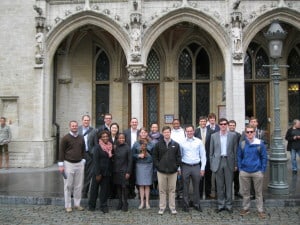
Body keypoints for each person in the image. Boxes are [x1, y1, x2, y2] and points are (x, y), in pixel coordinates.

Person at [238, 125, 268, 219]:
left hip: (257, 171)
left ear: (255, 132)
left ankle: (260, 210)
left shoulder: (260, 143)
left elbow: (264, 157)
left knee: (258, 193)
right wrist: (240, 168)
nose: (249, 133)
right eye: (248, 132)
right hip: (245, 171)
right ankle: (246, 208)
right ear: (245, 133)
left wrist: (262, 169)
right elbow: (239, 156)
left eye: (251, 132)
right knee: (245, 192)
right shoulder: (242, 144)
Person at [210, 118, 238, 214]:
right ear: (219, 125)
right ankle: (221, 205)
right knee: (219, 185)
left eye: (225, 124)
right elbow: (211, 152)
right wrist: (212, 164)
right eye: (221, 124)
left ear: (227, 125)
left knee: (229, 184)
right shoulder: (214, 136)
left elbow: (235, 151)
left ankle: (229, 205)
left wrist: (235, 164)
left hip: (228, 161)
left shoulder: (232, 136)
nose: (223, 125)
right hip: (218, 162)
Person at [152, 126, 182, 215]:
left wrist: (176, 167)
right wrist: (158, 166)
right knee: (162, 190)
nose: (166, 133)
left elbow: (179, 157)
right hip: (161, 171)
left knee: (172, 190)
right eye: (165, 132)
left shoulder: (176, 144)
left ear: (170, 133)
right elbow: (155, 157)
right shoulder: (158, 144)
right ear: (163, 133)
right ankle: (162, 207)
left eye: (168, 132)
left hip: (173, 171)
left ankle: (172, 208)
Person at [58, 120, 85, 213]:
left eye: (76, 126)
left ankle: (77, 204)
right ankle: (68, 205)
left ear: (78, 127)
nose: (74, 127)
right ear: (70, 127)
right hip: (68, 164)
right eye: (73, 126)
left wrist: (83, 160)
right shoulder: (65, 138)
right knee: (68, 186)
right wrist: (61, 165)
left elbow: (83, 150)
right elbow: (61, 151)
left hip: (79, 164)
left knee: (78, 186)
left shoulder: (81, 138)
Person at [180, 125, 206, 212]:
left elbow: (203, 155)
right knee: (185, 187)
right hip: (185, 166)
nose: (189, 133)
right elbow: (179, 156)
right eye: (188, 131)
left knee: (196, 187)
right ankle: (185, 205)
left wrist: (202, 168)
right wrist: (179, 169)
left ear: (193, 131)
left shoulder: (199, 141)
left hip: (196, 166)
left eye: (191, 131)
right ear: (185, 132)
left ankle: (196, 204)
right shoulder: (182, 142)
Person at [88, 130, 113, 213]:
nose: (105, 138)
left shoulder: (110, 146)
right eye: (103, 137)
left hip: (107, 172)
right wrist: (98, 173)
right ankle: (92, 206)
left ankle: (103, 205)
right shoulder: (97, 147)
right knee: (94, 189)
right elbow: (95, 161)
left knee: (104, 190)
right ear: (100, 138)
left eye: (106, 136)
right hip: (97, 172)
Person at [132, 127, 154, 209]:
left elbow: (154, 155)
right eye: (142, 132)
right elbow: (132, 155)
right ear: (139, 134)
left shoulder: (151, 143)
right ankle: (141, 202)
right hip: (139, 165)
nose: (143, 134)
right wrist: (138, 155)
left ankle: (147, 202)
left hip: (148, 165)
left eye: (145, 132)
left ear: (147, 133)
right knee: (141, 185)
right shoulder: (136, 143)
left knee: (147, 184)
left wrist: (146, 149)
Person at [194, 116, 213, 199]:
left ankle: (208, 193)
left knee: (208, 175)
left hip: (208, 156)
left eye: (204, 121)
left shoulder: (211, 132)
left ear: (207, 122)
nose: (203, 123)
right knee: (200, 176)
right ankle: (200, 193)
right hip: (198, 157)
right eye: (201, 121)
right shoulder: (195, 132)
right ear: (199, 122)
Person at [113, 133, 132, 212]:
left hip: (124, 171)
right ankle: (120, 202)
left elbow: (130, 161)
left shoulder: (127, 148)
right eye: (120, 138)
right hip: (116, 170)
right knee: (118, 187)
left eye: (123, 138)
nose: (121, 140)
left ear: (125, 139)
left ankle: (125, 203)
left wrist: (128, 172)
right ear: (117, 139)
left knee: (124, 187)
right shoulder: (115, 147)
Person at [78, 115, 94, 198]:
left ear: (89, 121)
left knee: (88, 175)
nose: (86, 122)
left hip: (88, 154)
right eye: (85, 120)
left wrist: (93, 153)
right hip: (78, 155)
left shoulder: (93, 131)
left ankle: (85, 192)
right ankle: (75, 192)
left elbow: (95, 144)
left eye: (87, 120)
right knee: (77, 174)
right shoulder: (77, 130)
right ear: (82, 121)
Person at [124, 117, 140, 198]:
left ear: (137, 123)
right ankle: (130, 191)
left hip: (138, 156)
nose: (134, 123)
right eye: (133, 122)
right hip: (128, 156)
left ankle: (137, 190)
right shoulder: (126, 132)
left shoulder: (140, 132)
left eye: (135, 122)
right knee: (129, 173)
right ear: (130, 123)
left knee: (137, 173)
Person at [170, 119, 185, 199]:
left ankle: (181, 191)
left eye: (177, 123)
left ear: (180, 124)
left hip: (182, 155)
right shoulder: (170, 132)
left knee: (181, 175)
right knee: (174, 175)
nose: (176, 124)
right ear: (172, 124)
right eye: (174, 123)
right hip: (173, 156)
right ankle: (175, 191)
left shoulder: (183, 132)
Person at [228, 119, 242, 198]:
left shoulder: (238, 135)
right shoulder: (225, 134)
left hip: (236, 158)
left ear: (235, 126)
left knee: (236, 177)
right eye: (230, 125)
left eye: (233, 125)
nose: (232, 127)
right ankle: (228, 192)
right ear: (228, 126)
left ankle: (237, 191)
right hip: (227, 159)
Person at [148, 122, 163, 196]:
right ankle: (150, 189)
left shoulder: (161, 136)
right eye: (153, 127)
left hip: (158, 158)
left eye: (155, 127)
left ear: (158, 128)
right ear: (151, 128)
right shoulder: (148, 136)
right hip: (149, 158)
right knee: (150, 173)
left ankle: (156, 188)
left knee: (156, 173)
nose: (154, 128)